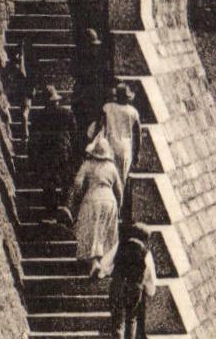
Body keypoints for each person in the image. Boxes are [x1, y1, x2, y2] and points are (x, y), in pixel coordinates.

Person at [66, 134, 122, 278]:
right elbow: (119, 191)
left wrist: (75, 200)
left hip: (93, 197)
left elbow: (77, 184)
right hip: (110, 200)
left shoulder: (88, 164)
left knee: (92, 230)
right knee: (106, 232)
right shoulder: (112, 167)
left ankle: (93, 263)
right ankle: (103, 266)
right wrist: (119, 207)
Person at [107, 226, 157, 339]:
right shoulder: (145, 253)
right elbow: (150, 277)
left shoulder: (120, 246)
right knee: (131, 319)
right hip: (134, 288)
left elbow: (106, 264)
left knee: (118, 323)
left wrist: (104, 273)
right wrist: (149, 290)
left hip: (118, 285)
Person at [31, 85, 77, 216]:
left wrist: (33, 157)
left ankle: (50, 212)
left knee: (48, 185)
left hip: (46, 154)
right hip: (63, 152)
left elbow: (34, 139)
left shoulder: (38, 117)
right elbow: (74, 134)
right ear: (56, 100)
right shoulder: (66, 113)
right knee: (66, 181)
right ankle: (64, 209)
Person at [97, 83, 142, 190]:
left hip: (109, 147)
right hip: (124, 149)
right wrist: (137, 153)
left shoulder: (107, 107)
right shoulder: (133, 112)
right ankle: (118, 204)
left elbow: (99, 126)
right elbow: (138, 134)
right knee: (121, 182)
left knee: (107, 180)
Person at [71, 30, 109, 149]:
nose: (94, 49)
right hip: (84, 100)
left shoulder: (95, 60)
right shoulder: (81, 60)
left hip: (92, 101)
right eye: (92, 46)